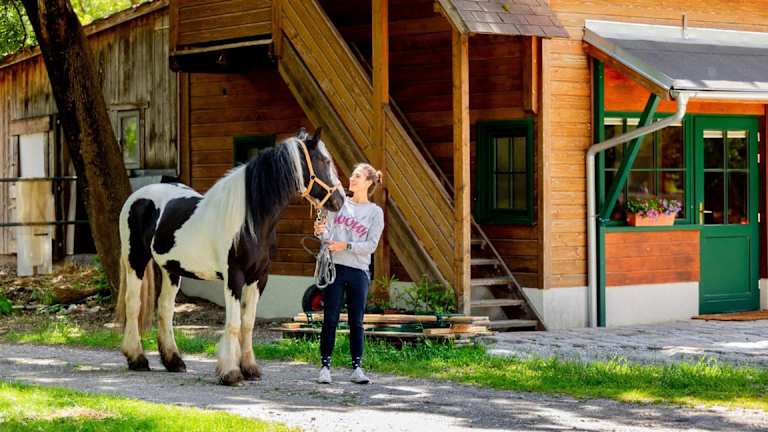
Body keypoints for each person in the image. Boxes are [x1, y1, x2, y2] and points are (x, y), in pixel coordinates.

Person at [313, 163, 384, 384]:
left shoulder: (375, 212)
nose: (352, 179)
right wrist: (320, 232)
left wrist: (346, 246)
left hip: (359, 272)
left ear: (369, 182)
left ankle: (357, 369)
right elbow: (327, 235)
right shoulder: (339, 205)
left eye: (357, 176)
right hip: (335, 268)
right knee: (330, 318)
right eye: (352, 175)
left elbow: (371, 245)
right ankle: (325, 368)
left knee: (357, 321)